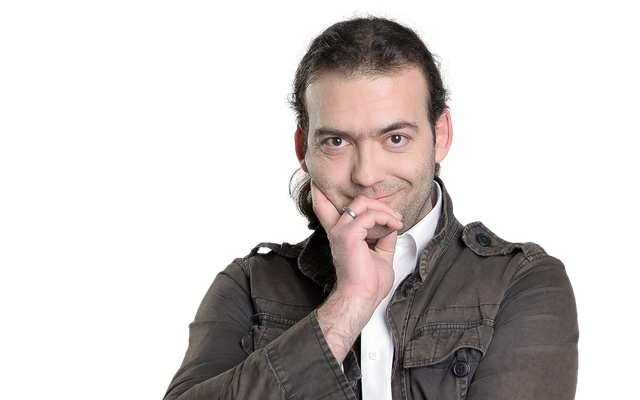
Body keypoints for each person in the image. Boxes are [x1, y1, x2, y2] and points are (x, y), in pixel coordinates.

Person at [162, 5, 581, 400]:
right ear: (302, 149)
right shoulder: (248, 283)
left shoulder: (522, 281)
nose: (366, 175)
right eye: (337, 141)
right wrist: (348, 305)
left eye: (395, 138)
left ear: (442, 135)